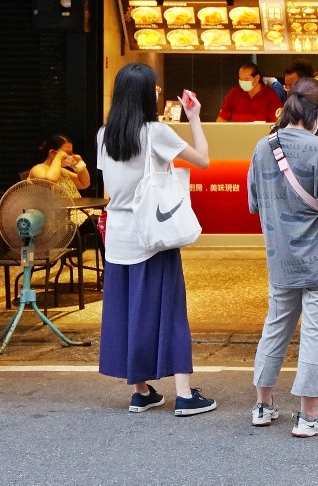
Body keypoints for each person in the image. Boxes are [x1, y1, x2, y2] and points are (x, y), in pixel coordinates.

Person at [96, 62, 216, 417]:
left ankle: (141, 391)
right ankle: (183, 394)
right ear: (147, 94)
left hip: (117, 236)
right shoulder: (156, 132)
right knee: (171, 311)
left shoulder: (104, 135)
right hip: (152, 235)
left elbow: (113, 185)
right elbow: (204, 160)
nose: (159, 93)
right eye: (157, 89)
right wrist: (194, 117)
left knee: (127, 310)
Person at [247, 77, 318, 438]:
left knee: (276, 325)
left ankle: (263, 405)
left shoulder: (262, 147)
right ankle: (309, 416)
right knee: (314, 333)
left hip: (280, 257)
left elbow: (253, 203)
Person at [29, 133, 91, 226]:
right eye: (67, 153)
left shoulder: (62, 171)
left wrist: (80, 164)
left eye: (71, 153)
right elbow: (50, 179)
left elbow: (84, 183)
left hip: (73, 212)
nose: (70, 156)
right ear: (52, 153)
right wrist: (58, 157)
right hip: (53, 217)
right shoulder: (37, 169)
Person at [217, 62, 283, 123]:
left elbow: (276, 123)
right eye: (240, 79)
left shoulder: (271, 95)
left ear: (257, 78)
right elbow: (222, 117)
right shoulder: (234, 93)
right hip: (237, 133)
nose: (243, 82)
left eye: (246, 79)